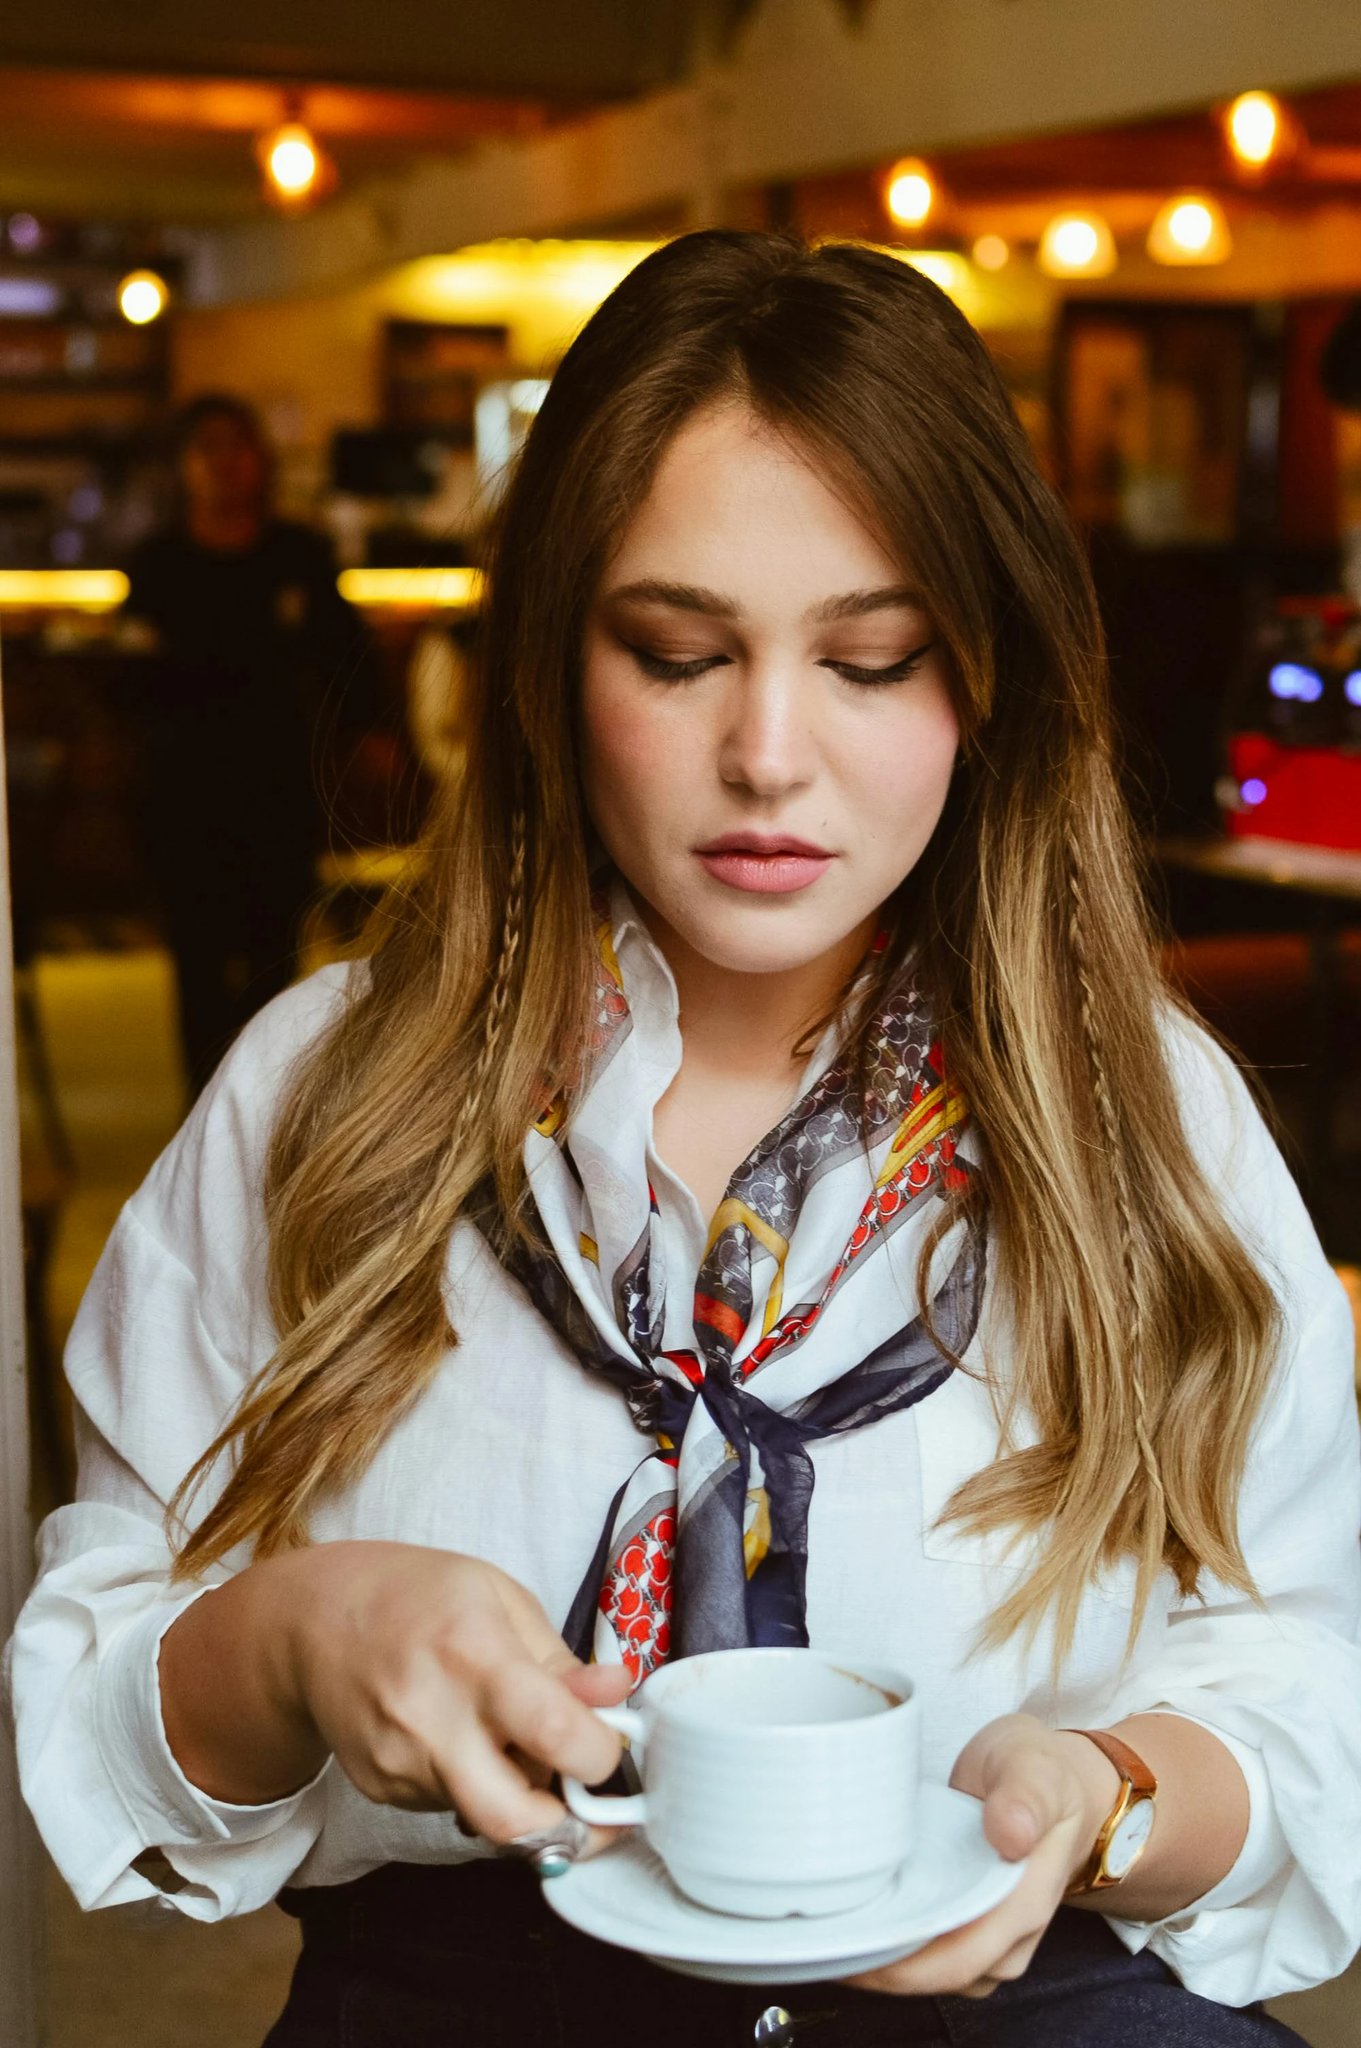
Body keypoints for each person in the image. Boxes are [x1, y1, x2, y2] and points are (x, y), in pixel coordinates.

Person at [9, 233, 1361, 2047]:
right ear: (554, 662)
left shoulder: (1148, 1118)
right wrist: (296, 1636)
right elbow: (114, 1681)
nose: (769, 753)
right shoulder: (319, 1101)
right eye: (674, 649)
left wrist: (1106, 1792)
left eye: (873, 659)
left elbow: (1308, 1668)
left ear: (987, 681)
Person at [119, 394, 382, 1097]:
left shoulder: (297, 553)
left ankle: (261, 1110)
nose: (224, 464)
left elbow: (348, 661)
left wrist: (368, 739)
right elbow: (129, 683)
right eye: (207, 448)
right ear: (183, 466)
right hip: (184, 794)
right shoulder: (157, 564)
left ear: (259, 460)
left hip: (276, 788)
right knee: (197, 966)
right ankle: (200, 1117)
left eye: (237, 446)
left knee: (275, 964)